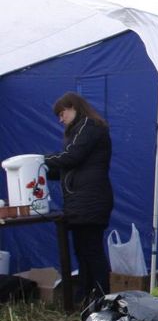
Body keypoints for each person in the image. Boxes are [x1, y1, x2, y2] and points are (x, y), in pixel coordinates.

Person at [44, 92, 114, 305]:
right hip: (80, 202)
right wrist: (42, 170)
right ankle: (86, 297)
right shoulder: (79, 132)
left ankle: (101, 298)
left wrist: (40, 160)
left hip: (90, 201)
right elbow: (69, 166)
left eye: (61, 113)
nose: (60, 119)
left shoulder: (89, 127)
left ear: (73, 106)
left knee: (91, 250)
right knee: (82, 251)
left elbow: (72, 156)